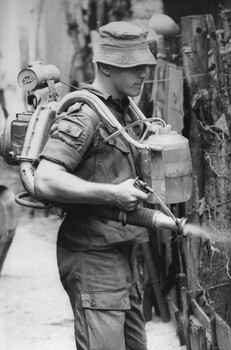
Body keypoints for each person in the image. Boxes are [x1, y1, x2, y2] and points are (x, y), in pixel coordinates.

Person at [34, 21, 157, 350]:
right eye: (132, 65)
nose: (143, 73)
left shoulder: (123, 110)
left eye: (144, 64)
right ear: (103, 65)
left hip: (121, 255)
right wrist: (114, 194)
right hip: (93, 258)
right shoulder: (84, 116)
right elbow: (45, 179)